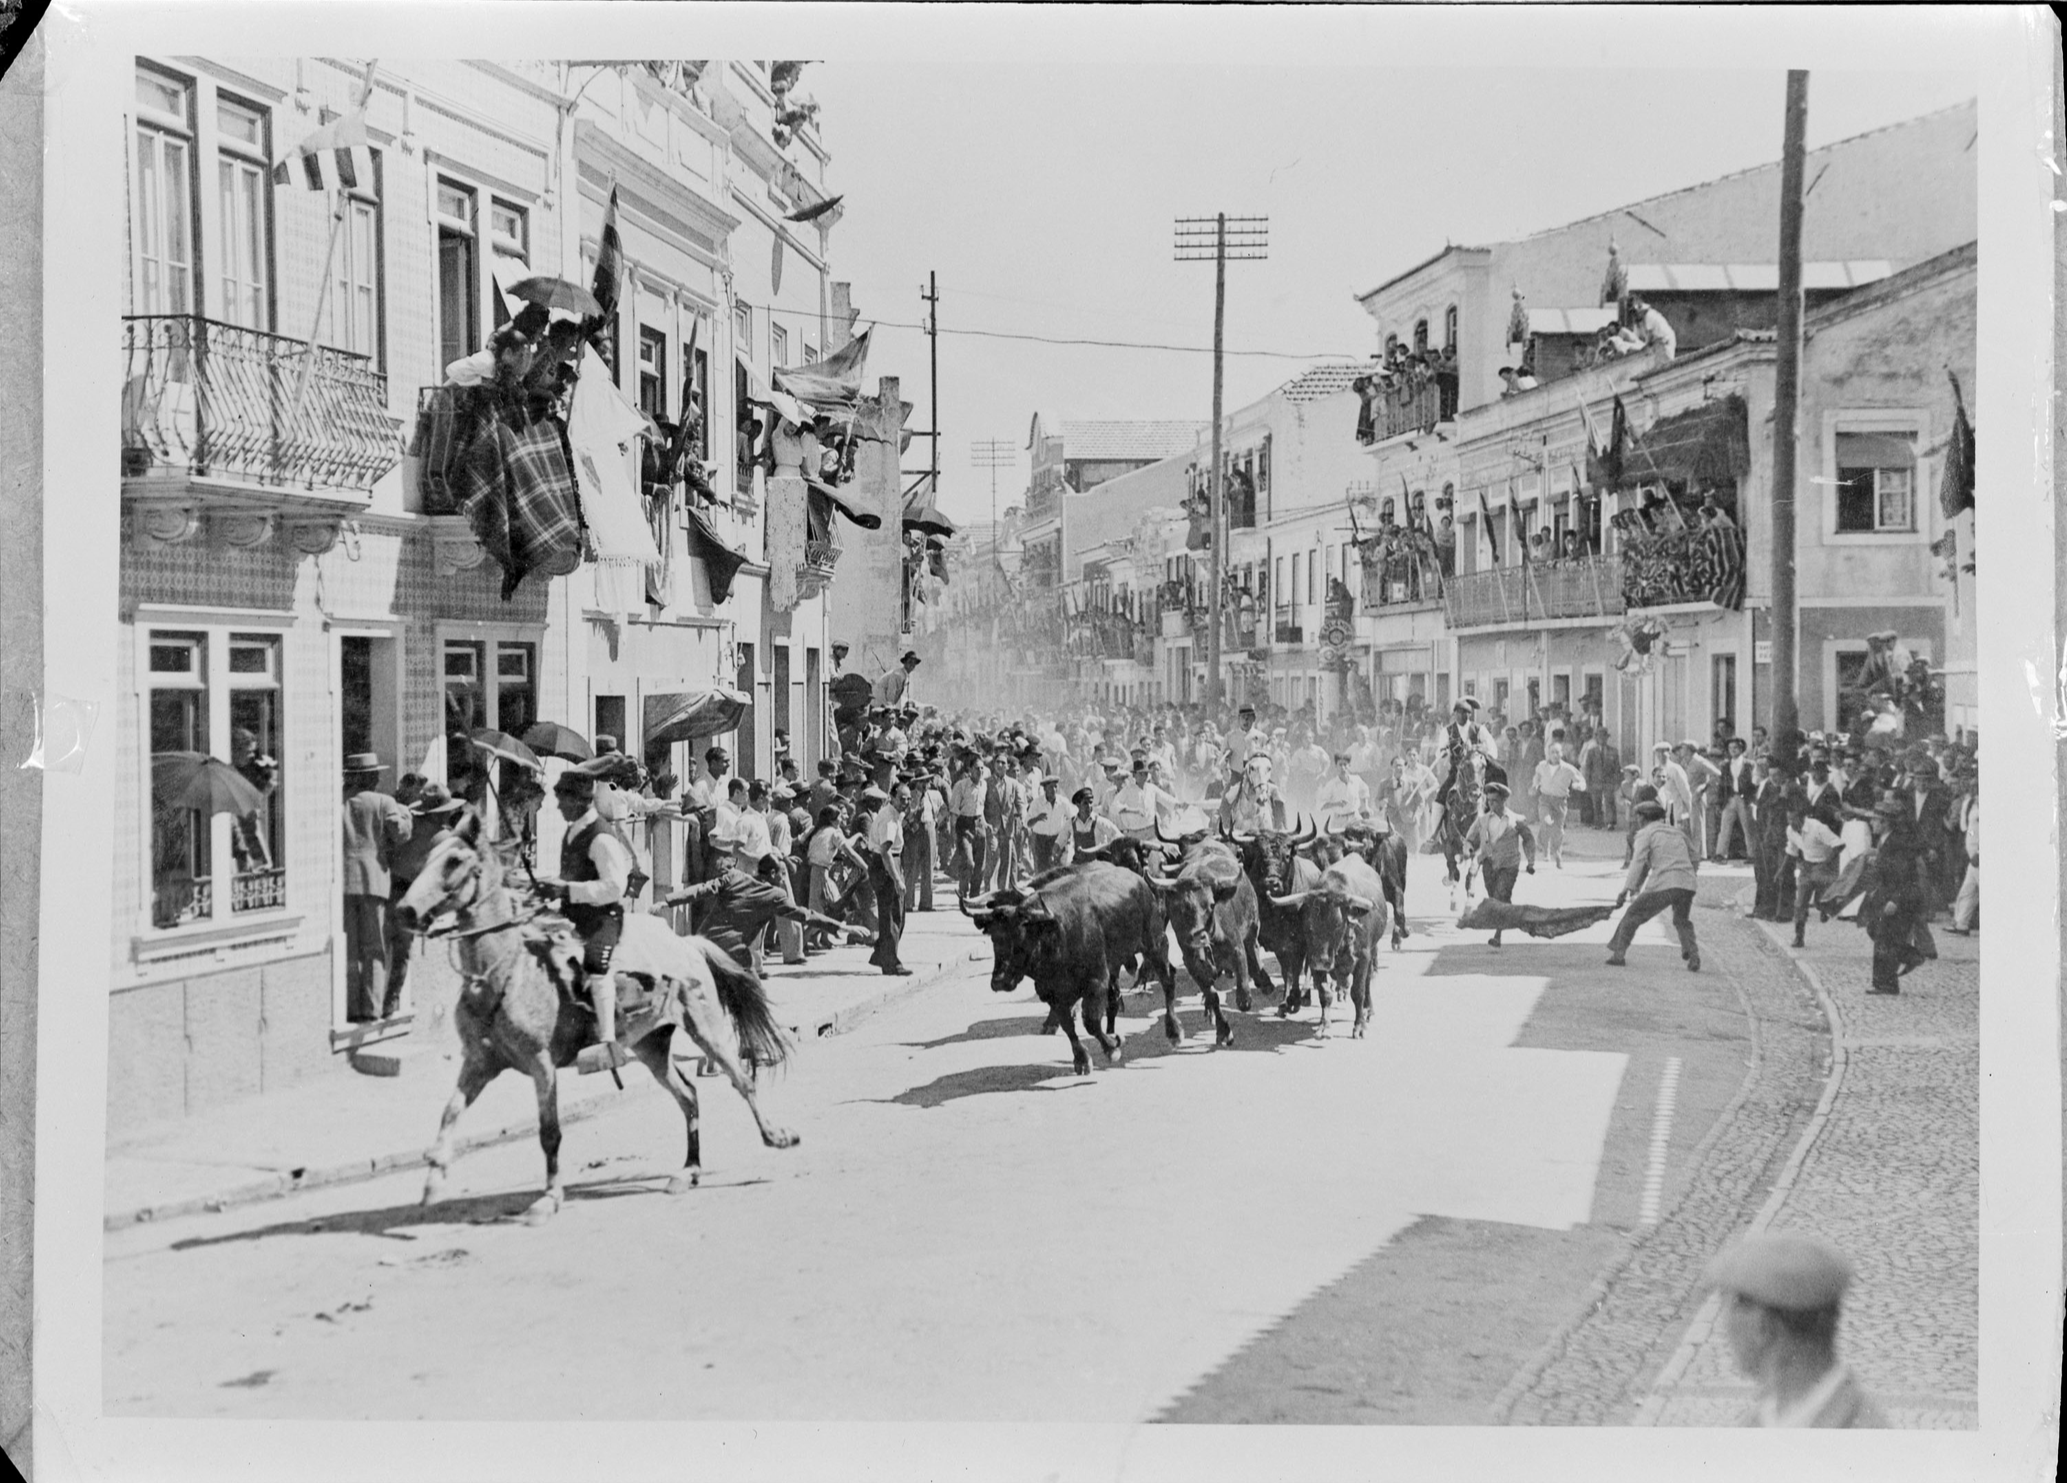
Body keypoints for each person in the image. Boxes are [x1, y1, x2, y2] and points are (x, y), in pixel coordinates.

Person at [1706, 1231, 1887, 1428]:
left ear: (1763, 1326)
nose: (1724, 1327)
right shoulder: (1761, 1422)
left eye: (1731, 1306)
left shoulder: (1864, 1438)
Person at [533, 762, 637, 1074]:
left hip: (603, 918)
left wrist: (567, 890)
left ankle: (606, 1042)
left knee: (595, 966)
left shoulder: (601, 837)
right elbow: (572, 877)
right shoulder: (572, 830)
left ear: (580, 800)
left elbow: (614, 887)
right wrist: (551, 886)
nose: (557, 805)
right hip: (574, 914)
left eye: (562, 800)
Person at [341, 753, 413, 1024]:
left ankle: (350, 1006)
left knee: (351, 947)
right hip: (374, 881)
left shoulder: (342, 803)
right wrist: (406, 815)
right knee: (374, 947)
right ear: (372, 777)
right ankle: (371, 1007)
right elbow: (400, 834)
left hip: (346, 881)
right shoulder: (385, 802)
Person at [384, 781, 463, 1012]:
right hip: (410, 896)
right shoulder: (444, 838)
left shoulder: (410, 824)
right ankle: (390, 1002)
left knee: (381, 947)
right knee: (401, 952)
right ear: (444, 812)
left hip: (388, 889)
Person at [1606, 799, 1700, 971]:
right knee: (1682, 920)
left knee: (1633, 914)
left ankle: (1618, 954)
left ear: (1642, 818)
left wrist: (1626, 889)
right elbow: (1694, 857)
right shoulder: (1676, 832)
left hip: (1664, 883)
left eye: (1637, 817)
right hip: (1687, 883)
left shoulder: (1645, 834)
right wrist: (1689, 874)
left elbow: (1638, 862)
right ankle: (1692, 954)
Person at [1462, 781, 1536, 949]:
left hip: (1509, 865)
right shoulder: (1482, 820)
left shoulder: (1516, 820)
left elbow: (1529, 840)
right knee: (1497, 900)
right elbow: (1469, 839)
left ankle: (1498, 935)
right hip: (1489, 864)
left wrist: (1531, 861)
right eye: (1488, 800)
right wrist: (1468, 849)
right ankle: (1521, 920)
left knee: (1500, 896)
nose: (1491, 804)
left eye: (1494, 800)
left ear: (1504, 801)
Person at [859, 786, 912, 976]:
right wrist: (897, 878)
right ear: (892, 798)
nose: (906, 802)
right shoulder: (889, 818)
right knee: (892, 915)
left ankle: (881, 954)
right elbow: (885, 851)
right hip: (886, 864)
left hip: (889, 862)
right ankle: (891, 964)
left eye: (908, 799)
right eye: (902, 799)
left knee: (895, 915)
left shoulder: (894, 814)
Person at [1786, 798, 1846, 949]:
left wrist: (1825, 864)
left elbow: (1838, 844)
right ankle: (1799, 937)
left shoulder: (1818, 828)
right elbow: (1791, 851)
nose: (1792, 823)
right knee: (1800, 904)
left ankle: (1823, 906)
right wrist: (1782, 870)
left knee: (1820, 901)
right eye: (1789, 819)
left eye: (1794, 819)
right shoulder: (1790, 830)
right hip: (1806, 866)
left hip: (1823, 865)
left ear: (1802, 817)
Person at [1533, 741, 1585, 868]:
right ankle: (1546, 851)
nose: (1555, 755)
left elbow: (1581, 780)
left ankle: (1558, 853)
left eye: (1557, 752)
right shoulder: (1541, 766)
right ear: (1548, 754)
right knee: (1546, 822)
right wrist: (1535, 785)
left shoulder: (1568, 768)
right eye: (1552, 752)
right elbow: (1537, 777)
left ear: (1562, 753)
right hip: (1545, 799)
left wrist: (1579, 786)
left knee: (1558, 830)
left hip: (1560, 801)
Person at [901, 768, 940, 912]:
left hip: (929, 828)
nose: (925, 784)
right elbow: (904, 814)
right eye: (922, 782)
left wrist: (937, 823)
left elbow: (943, 810)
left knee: (928, 866)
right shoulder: (910, 796)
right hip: (914, 831)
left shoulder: (933, 796)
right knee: (911, 866)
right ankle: (908, 902)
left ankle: (926, 903)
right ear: (916, 783)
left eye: (927, 781)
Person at [1313, 750, 1374, 834]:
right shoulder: (1331, 784)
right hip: (1339, 820)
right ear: (1336, 766)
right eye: (1340, 765)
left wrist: (1366, 806)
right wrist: (1336, 804)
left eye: (1345, 765)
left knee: (1364, 836)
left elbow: (1365, 790)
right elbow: (1320, 804)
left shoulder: (1356, 779)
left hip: (1355, 817)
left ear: (1349, 765)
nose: (1342, 768)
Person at [1715, 737, 1756, 861]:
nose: (1733, 750)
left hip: (1745, 798)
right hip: (1730, 797)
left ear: (1741, 749)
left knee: (1748, 827)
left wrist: (1752, 798)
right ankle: (1721, 853)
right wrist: (1720, 801)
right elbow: (1721, 784)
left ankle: (1752, 854)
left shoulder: (1749, 764)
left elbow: (1754, 782)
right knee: (1725, 827)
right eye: (1730, 748)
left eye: (1736, 748)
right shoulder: (1725, 765)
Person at [1947, 782, 1979, 935]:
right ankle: (1961, 923)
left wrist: (1980, 852)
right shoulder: (1971, 803)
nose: (1974, 789)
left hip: (1980, 856)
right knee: (1968, 890)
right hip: (1971, 854)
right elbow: (1967, 828)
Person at [1025, 774, 1071, 873]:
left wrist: (1067, 835)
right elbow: (1027, 823)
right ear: (1045, 789)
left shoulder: (1063, 802)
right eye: (1050, 787)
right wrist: (1037, 818)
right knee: (1042, 870)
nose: (1053, 789)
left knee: (1058, 870)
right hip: (1041, 841)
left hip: (1057, 840)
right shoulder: (1037, 803)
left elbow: (1072, 819)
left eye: (1055, 786)